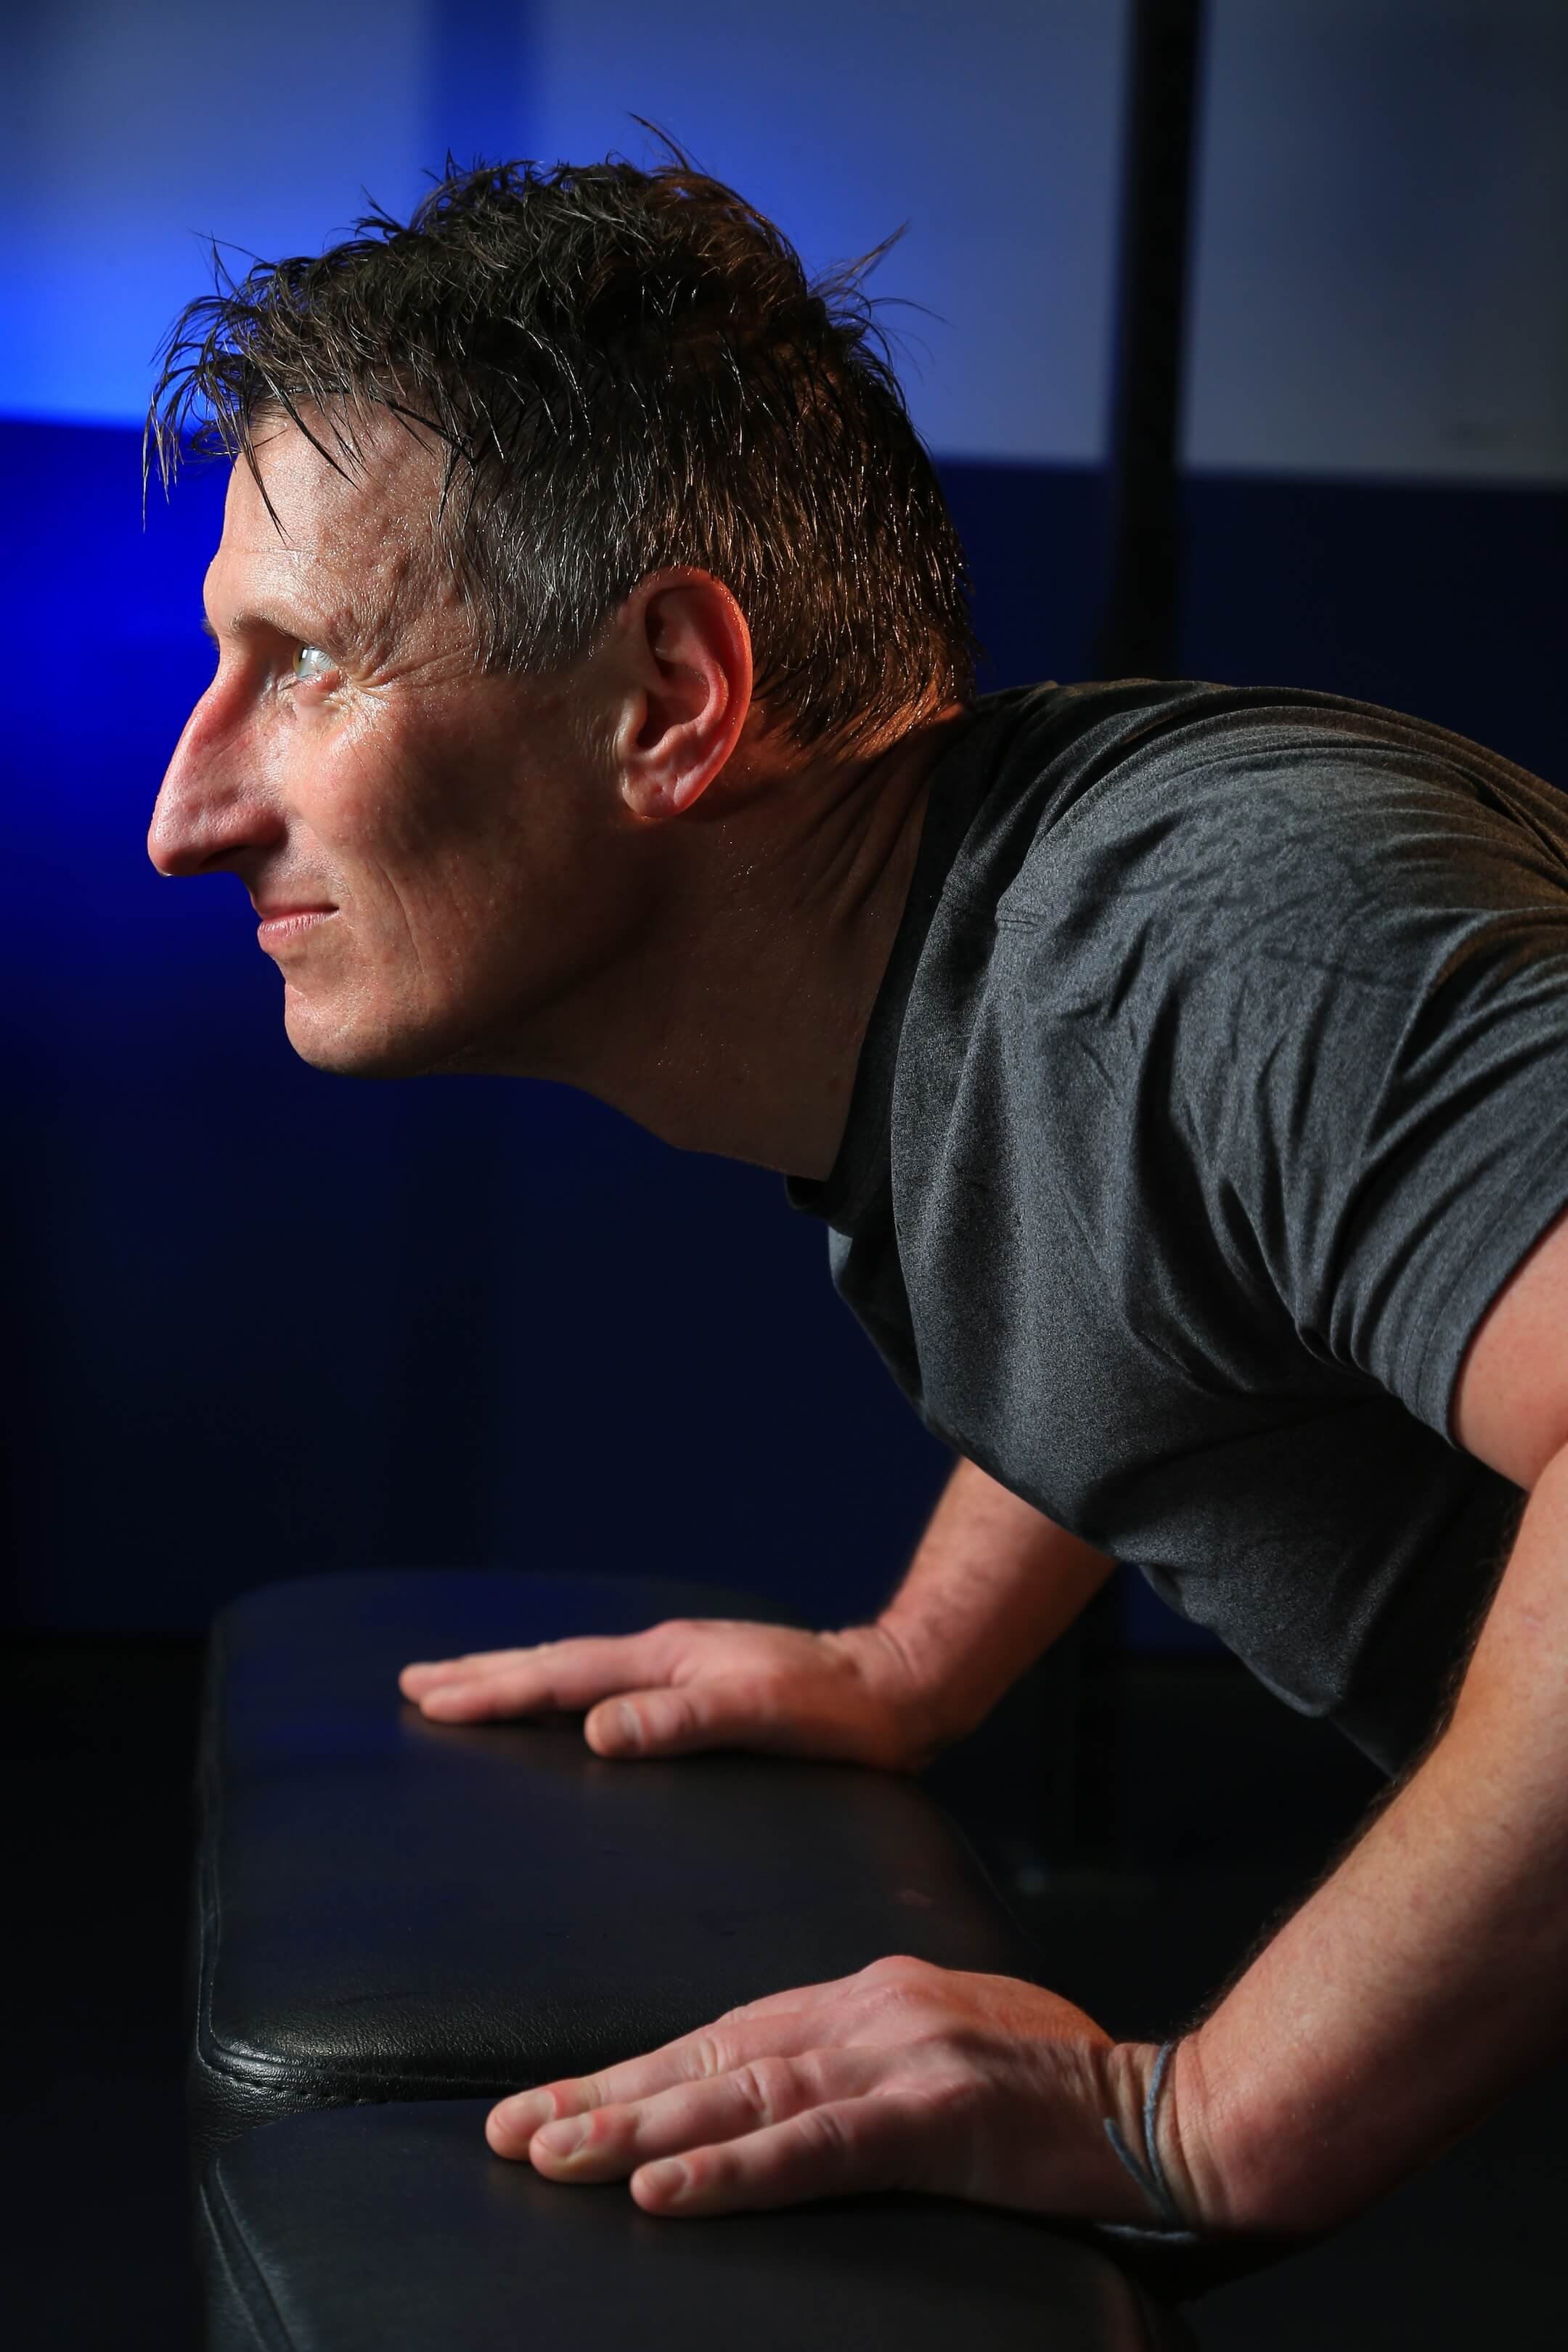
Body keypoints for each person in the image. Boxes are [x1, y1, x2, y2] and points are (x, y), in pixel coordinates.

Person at [147, 155, 1568, 2256]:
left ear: (670, 702)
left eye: (312, 665)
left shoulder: (1213, 941)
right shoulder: (985, 983)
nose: (192, 810)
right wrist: (914, 1661)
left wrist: (1199, 2122)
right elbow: (1165, 1245)